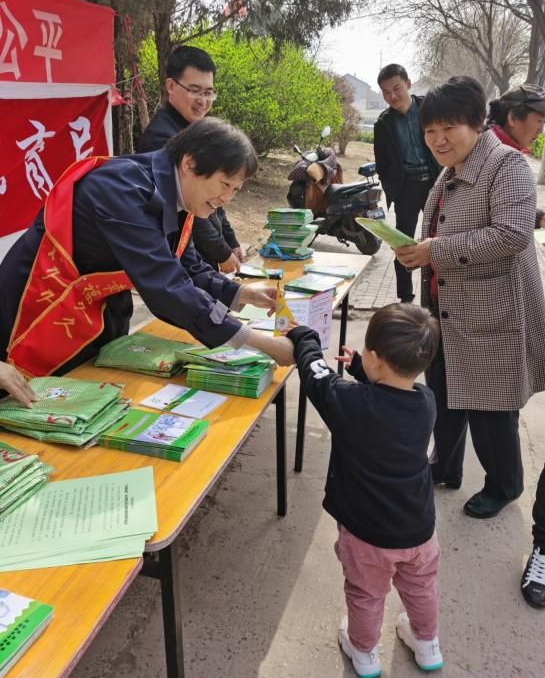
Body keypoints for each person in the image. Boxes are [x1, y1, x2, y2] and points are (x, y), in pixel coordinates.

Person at [0, 118, 292, 377]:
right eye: (225, 184)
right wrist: (260, 343)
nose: (227, 198)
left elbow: (186, 265)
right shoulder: (120, 187)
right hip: (39, 306)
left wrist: (241, 293)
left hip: (93, 312)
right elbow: (166, 285)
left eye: (236, 189)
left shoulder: (177, 194)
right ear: (189, 163)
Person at [395, 76, 545, 520]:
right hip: (445, 306)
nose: (438, 140)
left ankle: (504, 485)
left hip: (492, 310)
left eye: (449, 128)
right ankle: (445, 465)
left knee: (489, 407)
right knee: (443, 393)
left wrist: (433, 251)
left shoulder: (507, 167)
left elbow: (513, 234)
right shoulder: (451, 170)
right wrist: (416, 253)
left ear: (478, 123)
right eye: (430, 131)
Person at [284, 304, 443, 677]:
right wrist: (361, 369)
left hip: (368, 535)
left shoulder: (352, 404)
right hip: (419, 529)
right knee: (421, 589)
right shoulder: (426, 402)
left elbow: (316, 376)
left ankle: (364, 652)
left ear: (377, 358)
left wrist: (303, 337)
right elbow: (389, 395)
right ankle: (427, 643)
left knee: (366, 595)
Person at [487, 83, 545, 609]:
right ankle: (503, 485)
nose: (543, 128)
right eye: (538, 119)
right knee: (494, 395)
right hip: (493, 293)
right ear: (514, 115)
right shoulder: (501, 156)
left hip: (506, 290)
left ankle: (503, 483)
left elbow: (507, 220)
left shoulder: (513, 158)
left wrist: (534, 220)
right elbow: (498, 225)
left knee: (500, 396)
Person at [137, 45, 244, 273]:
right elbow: (190, 208)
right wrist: (221, 252)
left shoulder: (199, 132)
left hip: (200, 255)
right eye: (195, 90)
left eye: (208, 92)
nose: (202, 101)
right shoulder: (163, 138)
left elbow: (213, 195)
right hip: (183, 256)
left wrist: (231, 240)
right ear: (171, 86)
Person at [374, 64, 440, 303]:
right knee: (402, 243)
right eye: (385, 92)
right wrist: (394, 187)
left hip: (436, 182)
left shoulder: (429, 109)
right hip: (407, 189)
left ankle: (440, 291)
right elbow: (381, 163)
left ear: (408, 83)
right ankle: (406, 298)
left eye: (396, 88)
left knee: (441, 238)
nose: (391, 96)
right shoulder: (383, 124)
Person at [487, 83, 545, 230]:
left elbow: (499, 204)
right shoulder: (489, 152)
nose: (541, 130)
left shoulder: (502, 148)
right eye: (539, 121)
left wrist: (539, 219)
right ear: (513, 118)